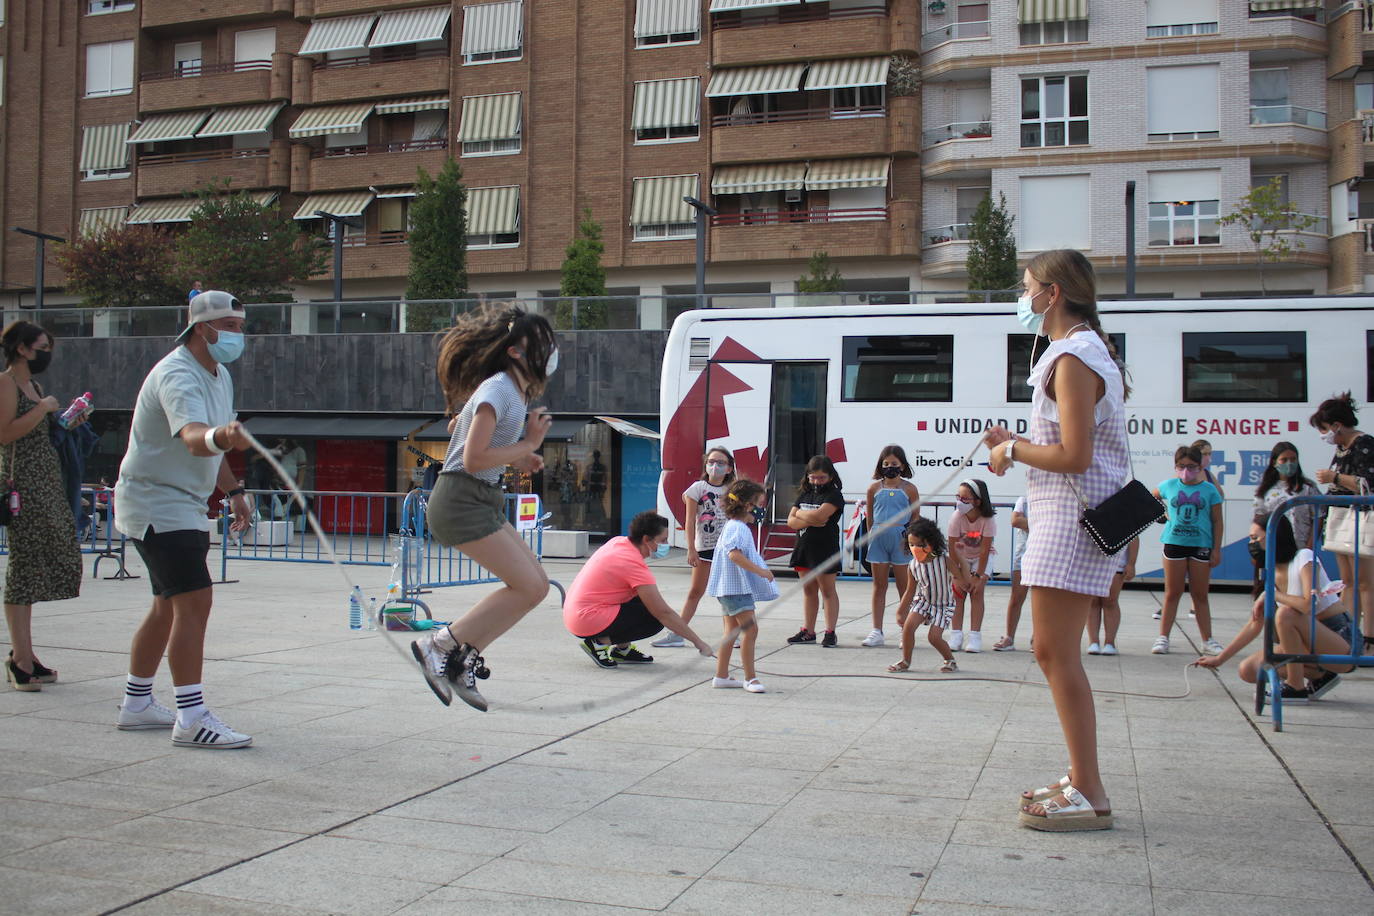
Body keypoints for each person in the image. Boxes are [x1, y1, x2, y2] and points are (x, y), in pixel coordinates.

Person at [984, 248, 1127, 831]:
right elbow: (1070, 445)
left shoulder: (1072, 355)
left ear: (1053, 293)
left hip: (1070, 520)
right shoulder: (1085, 351)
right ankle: (1081, 776)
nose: (1024, 297)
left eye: (1027, 286)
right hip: (1063, 515)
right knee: (1053, 653)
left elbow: (1074, 455)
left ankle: (1089, 791)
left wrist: (1012, 449)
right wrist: (1015, 440)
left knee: (1055, 653)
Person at [114, 291, 255, 747]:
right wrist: (221, 436)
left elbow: (212, 448)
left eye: (240, 326)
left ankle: (136, 705)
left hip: (182, 504)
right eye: (229, 327)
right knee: (194, 603)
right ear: (202, 328)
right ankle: (191, 718)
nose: (238, 335)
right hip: (157, 504)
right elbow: (196, 438)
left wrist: (233, 491)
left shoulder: (220, 374)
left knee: (165, 607)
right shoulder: (177, 373)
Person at [409, 305, 559, 711]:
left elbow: (457, 428)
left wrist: (517, 456)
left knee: (538, 587)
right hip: (461, 500)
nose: (551, 352)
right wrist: (527, 446)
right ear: (515, 351)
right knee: (527, 586)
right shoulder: (498, 390)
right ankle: (438, 645)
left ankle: (460, 658)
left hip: (481, 498)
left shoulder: (506, 392)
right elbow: (472, 458)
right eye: (542, 345)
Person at [0, 321, 82, 691]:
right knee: (24, 565)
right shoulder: (6, 383)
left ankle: (26, 654)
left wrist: (64, 418)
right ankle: (19, 659)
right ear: (22, 348)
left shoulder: (33, 385)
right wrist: (44, 407)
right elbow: (5, 432)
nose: (46, 353)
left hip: (45, 479)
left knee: (49, 557)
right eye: (41, 346)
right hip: (22, 482)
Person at [1196, 513, 1354, 701]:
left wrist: (1273, 595)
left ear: (1274, 536)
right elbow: (1254, 625)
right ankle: (1320, 676)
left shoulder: (1304, 557)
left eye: (1255, 538)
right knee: (1248, 670)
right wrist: (1220, 659)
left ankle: (1296, 687)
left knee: (1286, 614)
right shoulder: (1272, 572)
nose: (1251, 544)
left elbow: (1307, 605)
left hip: (1339, 639)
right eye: (1250, 539)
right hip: (1306, 645)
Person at [564, 510, 713, 666]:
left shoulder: (618, 542)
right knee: (653, 619)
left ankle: (623, 650)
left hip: (575, 612)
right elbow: (663, 612)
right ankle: (598, 644)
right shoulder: (632, 564)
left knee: (643, 600)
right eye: (662, 540)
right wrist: (699, 643)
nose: (666, 545)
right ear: (646, 539)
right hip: (586, 619)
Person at [1310, 392, 1374, 650]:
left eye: (1324, 429)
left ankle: (1369, 636)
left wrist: (1334, 478)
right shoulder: (1341, 448)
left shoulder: (1364, 444)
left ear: (1337, 425)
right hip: (1339, 516)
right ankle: (1348, 635)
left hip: (1359, 517)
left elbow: (1367, 484)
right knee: (1347, 580)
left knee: (1366, 581)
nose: (1324, 435)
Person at [654, 447, 734, 648]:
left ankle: (731, 635)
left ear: (729, 468)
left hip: (727, 549)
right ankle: (677, 634)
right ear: (706, 465)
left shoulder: (733, 490)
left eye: (721, 463)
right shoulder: (696, 489)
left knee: (727, 593)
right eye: (711, 462)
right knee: (695, 591)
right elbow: (689, 521)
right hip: (704, 547)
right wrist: (690, 549)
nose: (715, 466)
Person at [1151, 445, 1224, 656]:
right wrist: (1161, 515)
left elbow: (1217, 521)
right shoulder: (1169, 485)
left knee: (1200, 595)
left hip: (1201, 544)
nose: (1186, 471)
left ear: (1200, 466)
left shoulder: (1209, 490)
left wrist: (1216, 549)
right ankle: (1162, 637)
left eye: (1191, 466)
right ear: (1175, 466)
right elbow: (1152, 496)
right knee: (1172, 593)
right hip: (1174, 542)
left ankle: (1207, 640)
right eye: (1181, 466)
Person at [706, 479, 775, 692]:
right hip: (735, 589)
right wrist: (761, 571)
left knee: (731, 631)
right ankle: (750, 678)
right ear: (747, 505)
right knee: (750, 630)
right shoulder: (739, 528)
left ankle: (722, 675)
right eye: (759, 503)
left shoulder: (733, 526)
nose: (761, 509)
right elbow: (735, 555)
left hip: (728, 588)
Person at [887, 518, 969, 674]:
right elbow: (910, 591)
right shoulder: (912, 565)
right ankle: (905, 661)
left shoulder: (944, 560)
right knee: (908, 628)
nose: (916, 549)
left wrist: (961, 560)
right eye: (912, 545)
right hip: (923, 601)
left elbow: (961, 579)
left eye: (921, 545)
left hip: (943, 605)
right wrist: (900, 611)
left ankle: (950, 660)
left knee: (934, 637)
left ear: (932, 543)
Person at [861, 444, 919, 648]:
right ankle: (877, 630)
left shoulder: (909, 489)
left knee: (905, 586)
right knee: (879, 585)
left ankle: (906, 630)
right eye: (886, 464)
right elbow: (870, 515)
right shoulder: (874, 488)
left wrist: (910, 538)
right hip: (878, 536)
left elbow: (915, 515)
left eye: (894, 464)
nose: (890, 467)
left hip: (900, 537)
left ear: (902, 466)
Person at [786, 455, 845, 647]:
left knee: (828, 591)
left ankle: (830, 632)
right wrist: (808, 517)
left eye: (821, 478)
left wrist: (801, 514)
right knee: (808, 590)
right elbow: (791, 521)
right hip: (804, 547)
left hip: (825, 548)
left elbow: (822, 516)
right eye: (813, 477)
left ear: (830, 476)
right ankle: (808, 631)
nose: (817, 481)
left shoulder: (834, 495)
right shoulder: (804, 493)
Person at [1248, 441, 1320, 592]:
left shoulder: (1308, 488)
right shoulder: (1264, 490)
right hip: (1274, 550)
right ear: (1274, 462)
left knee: (1299, 590)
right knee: (1273, 590)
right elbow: (1258, 522)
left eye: (1293, 459)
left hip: (1300, 547)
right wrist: (1256, 549)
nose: (1289, 463)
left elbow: (1318, 518)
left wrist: (1309, 547)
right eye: (1284, 460)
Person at [946, 478, 996, 653]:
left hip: (981, 558)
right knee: (958, 593)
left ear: (977, 501)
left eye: (965, 498)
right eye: (958, 496)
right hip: (961, 558)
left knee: (977, 593)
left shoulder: (987, 520)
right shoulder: (956, 517)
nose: (960, 501)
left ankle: (975, 636)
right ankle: (956, 634)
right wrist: (957, 575)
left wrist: (978, 576)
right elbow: (951, 547)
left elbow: (984, 550)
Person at [1085, 538, 1137, 656]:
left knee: (1110, 601)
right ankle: (1093, 642)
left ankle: (1110, 643)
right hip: (1091, 560)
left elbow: (1134, 537)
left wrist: (1131, 563)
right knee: (1093, 601)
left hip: (1117, 561)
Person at [993, 496, 1029, 651]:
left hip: (1046, 555)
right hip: (1023, 554)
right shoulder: (1024, 500)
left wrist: (1028, 522)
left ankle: (1038, 639)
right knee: (1016, 597)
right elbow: (1015, 521)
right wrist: (1044, 523)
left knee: (1043, 600)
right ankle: (1009, 637)